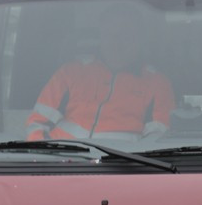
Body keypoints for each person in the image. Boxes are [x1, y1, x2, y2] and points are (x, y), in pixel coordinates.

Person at [25, 7, 174, 143]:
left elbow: (157, 139)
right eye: (110, 34)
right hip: (61, 165)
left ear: (140, 39)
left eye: (125, 35)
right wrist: (46, 162)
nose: (116, 42)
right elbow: (37, 124)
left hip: (123, 167)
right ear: (101, 37)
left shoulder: (158, 83)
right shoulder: (70, 72)